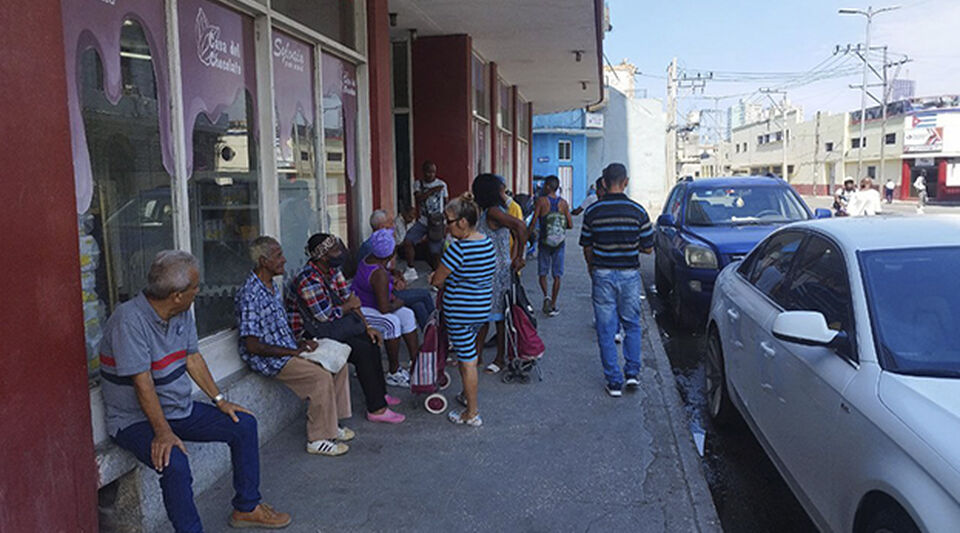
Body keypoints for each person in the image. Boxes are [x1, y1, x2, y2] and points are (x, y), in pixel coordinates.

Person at [101, 250, 291, 532]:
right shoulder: (128, 321)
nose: (198, 291)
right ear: (177, 295)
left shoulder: (180, 311)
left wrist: (220, 400)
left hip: (176, 409)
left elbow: (193, 358)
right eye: (194, 287)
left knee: (244, 424)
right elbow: (143, 383)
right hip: (133, 420)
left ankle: (247, 507)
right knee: (174, 462)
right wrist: (163, 433)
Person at [235, 237, 353, 457]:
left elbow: (277, 328)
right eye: (278, 256)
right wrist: (293, 352)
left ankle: (331, 423)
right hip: (269, 358)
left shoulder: (270, 286)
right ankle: (318, 438)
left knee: (338, 361)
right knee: (319, 377)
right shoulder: (251, 294)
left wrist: (298, 343)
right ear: (263, 261)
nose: (284, 259)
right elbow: (252, 345)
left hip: (287, 348)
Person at [286, 233, 405, 424]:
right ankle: (376, 409)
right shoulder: (308, 280)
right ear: (323, 256)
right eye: (335, 250)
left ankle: (381, 395)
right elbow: (323, 316)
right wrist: (347, 306)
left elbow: (351, 299)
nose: (340, 253)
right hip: (309, 335)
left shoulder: (333, 271)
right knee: (361, 350)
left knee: (371, 340)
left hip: (332, 326)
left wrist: (367, 326)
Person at [579, 163, 655, 397]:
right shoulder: (638, 211)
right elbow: (648, 248)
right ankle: (632, 374)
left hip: (602, 274)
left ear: (603, 183)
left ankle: (613, 382)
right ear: (626, 181)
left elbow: (587, 245)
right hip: (629, 275)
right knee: (632, 324)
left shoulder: (593, 212)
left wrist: (592, 268)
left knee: (605, 328)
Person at [429, 193, 497, 427]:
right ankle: (468, 396)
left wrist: (439, 278)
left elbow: (437, 280)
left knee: (467, 360)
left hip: (460, 312)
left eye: (449, 221)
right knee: (469, 355)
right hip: (480, 308)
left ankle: (472, 413)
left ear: (463, 222)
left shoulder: (458, 250)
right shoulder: (486, 242)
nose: (446, 228)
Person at [472, 173, 528, 374]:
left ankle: (500, 357)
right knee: (486, 315)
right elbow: (514, 231)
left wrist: (520, 256)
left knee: (498, 316)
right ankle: (477, 356)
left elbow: (521, 227)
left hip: (496, 272)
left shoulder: (494, 212)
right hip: (491, 268)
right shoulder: (492, 211)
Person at [353, 229, 421, 388]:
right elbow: (384, 308)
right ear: (390, 255)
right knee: (391, 322)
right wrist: (400, 301)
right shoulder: (379, 274)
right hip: (361, 309)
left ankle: (416, 363)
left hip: (371, 304)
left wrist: (393, 274)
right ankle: (394, 371)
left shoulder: (370, 260)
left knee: (407, 315)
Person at [358, 209, 435, 328]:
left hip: (386, 290)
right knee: (424, 294)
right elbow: (375, 278)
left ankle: (430, 337)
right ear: (382, 226)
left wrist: (396, 276)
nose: (393, 225)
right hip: (378, 297)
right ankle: (436, 333)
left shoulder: (380, 244)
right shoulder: (372, 248)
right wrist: (394, 284)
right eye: (390, 223)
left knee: (418, 304)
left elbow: (383, 271)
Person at [529, 175, 573, 316]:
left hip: (544, 242)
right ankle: (553, 304)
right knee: (557, 275)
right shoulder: (564, 203)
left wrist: (527, 235)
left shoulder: (541, 201)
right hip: (559, 243)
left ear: (548, 186)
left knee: (543, 272)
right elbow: (571, 225)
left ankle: (546, 296)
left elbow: (534, 221)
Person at [402, 160, 449, 277]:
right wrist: (433, 190)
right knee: (408, 241)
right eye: (428, 172)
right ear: (424, 172)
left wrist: (445, 219)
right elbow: (419, 198)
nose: (431, 175)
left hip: (437, 223)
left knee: (435, 252)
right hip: (423, 220)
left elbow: (446, 202)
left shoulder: (442, 184)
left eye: (433, 172)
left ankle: (437, 275)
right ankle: (411, 269)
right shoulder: (418, 184)